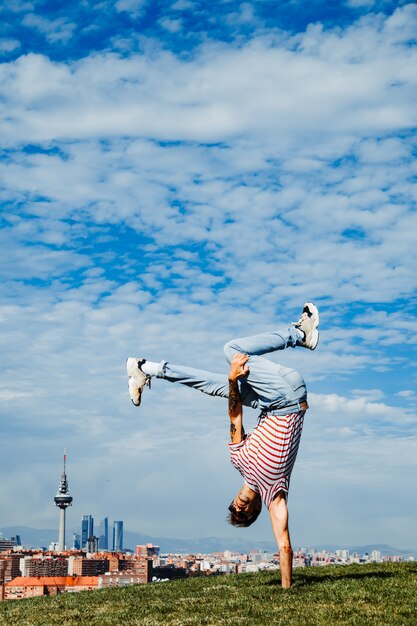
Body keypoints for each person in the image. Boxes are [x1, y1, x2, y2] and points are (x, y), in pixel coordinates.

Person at [126, 303, 319, 588]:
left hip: (273, 399)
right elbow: (285, 547)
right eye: (243, 513)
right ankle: (299, 333)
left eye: (233, 509)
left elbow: (235, 412)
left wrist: (232, 381)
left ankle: (146, 369)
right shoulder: (275, 494)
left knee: (212, 385)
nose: (238, 507)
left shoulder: (238, 459)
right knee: (232, 350)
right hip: (287, 398)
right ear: (255, 511)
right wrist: (287, 589)